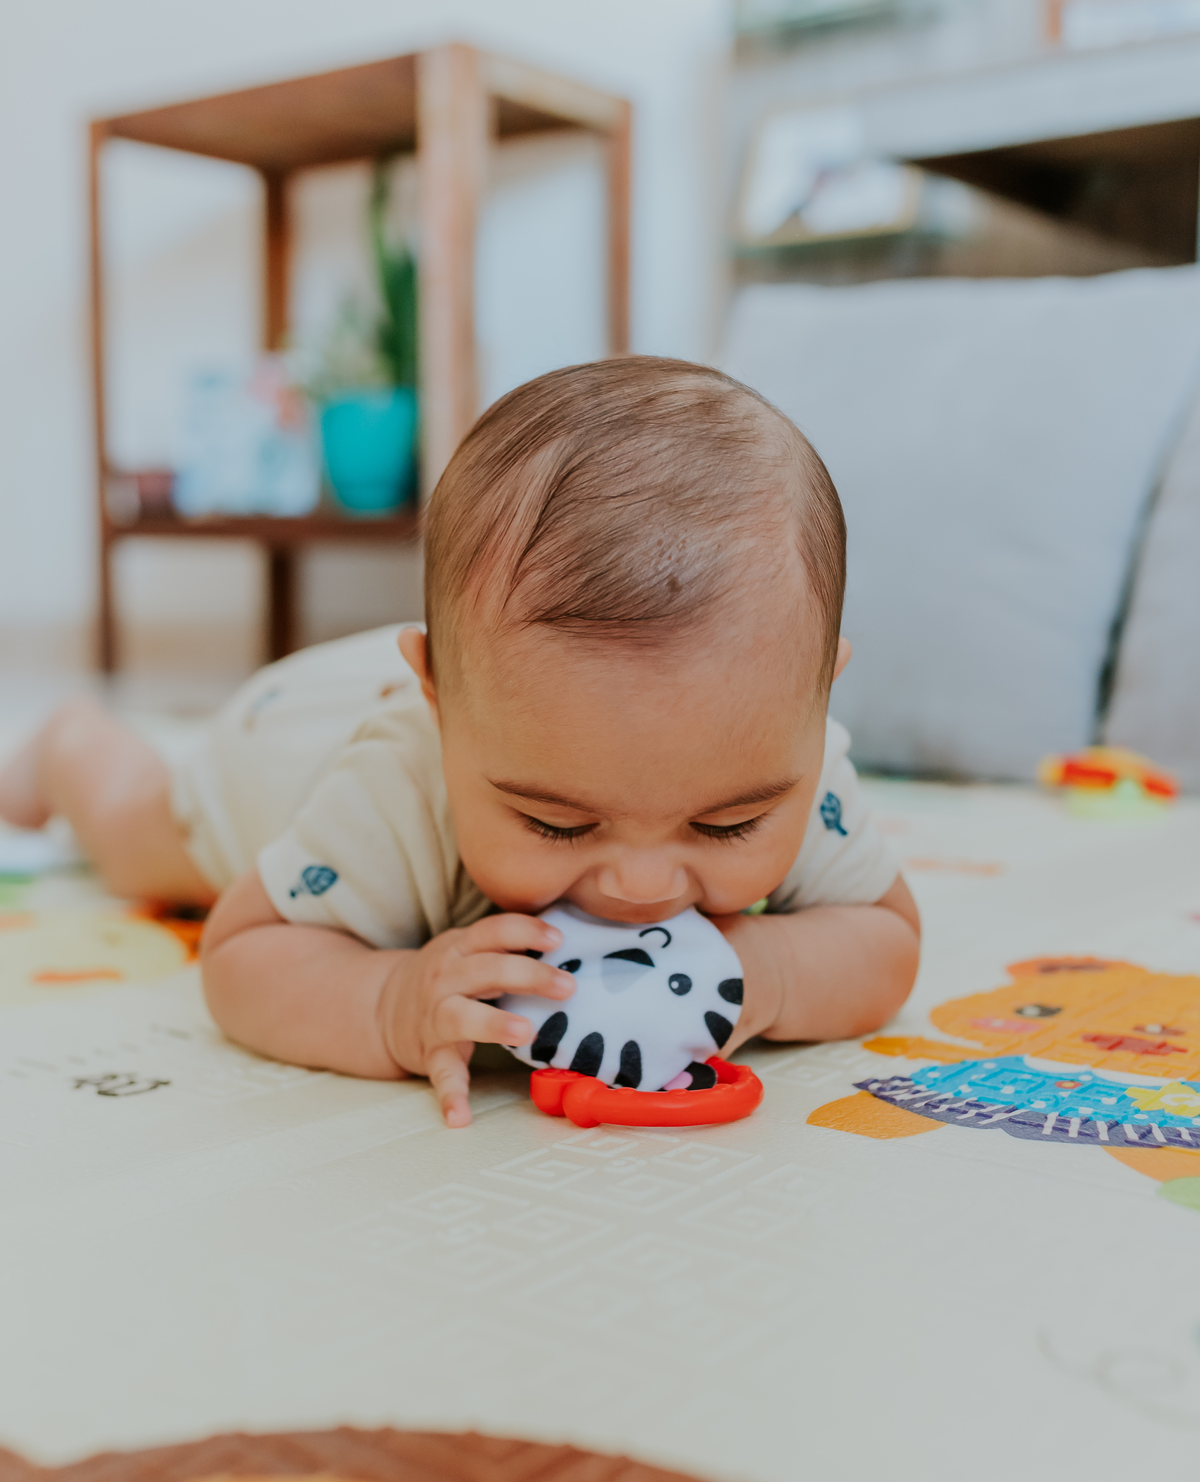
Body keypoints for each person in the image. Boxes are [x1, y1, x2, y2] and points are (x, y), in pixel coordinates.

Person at [0, 357, 919, 1126]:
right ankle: (68, 743)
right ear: (439, 701)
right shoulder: (394, 786)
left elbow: (886, 934)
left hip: (485, 691)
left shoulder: (778, 746)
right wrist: (390, 999)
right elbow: (241, 956)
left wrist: (770, 970)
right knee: (139, 841)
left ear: (817, 692)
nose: (645, 885)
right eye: (555, 823)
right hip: (278, 744)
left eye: (728, 825)